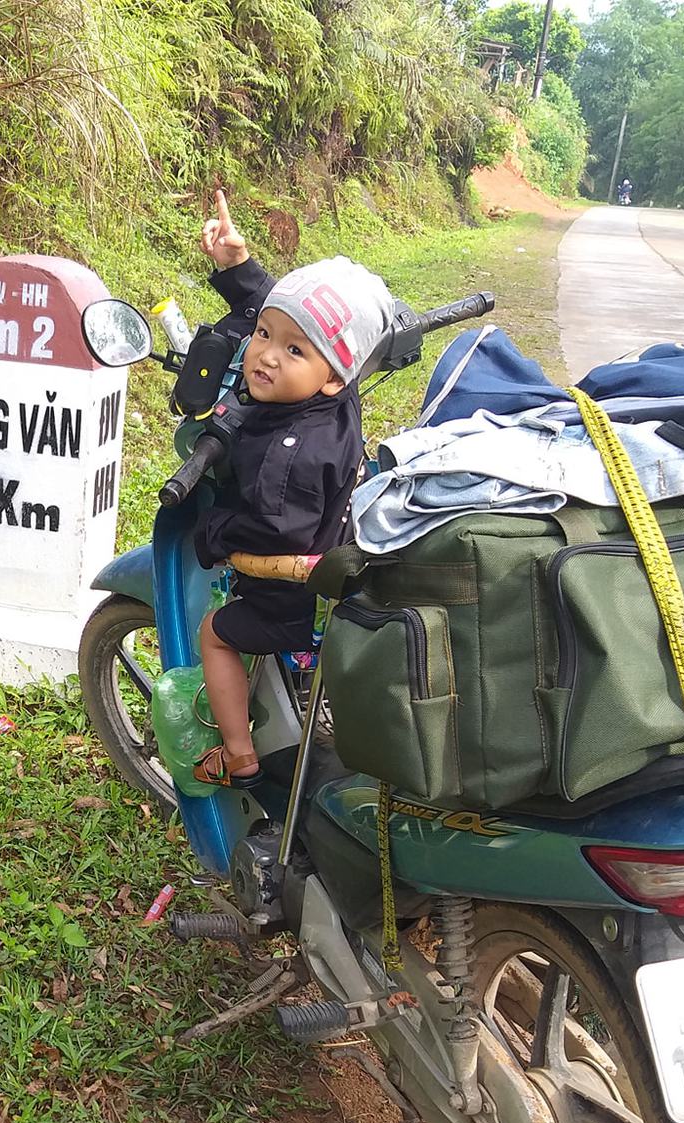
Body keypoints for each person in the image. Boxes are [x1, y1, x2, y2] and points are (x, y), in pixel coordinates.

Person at [191, 190, 394, 788]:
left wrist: (215, 533)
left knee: (217, 634)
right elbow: (288, 316)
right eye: (263, 336)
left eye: (293, 350)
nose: (267, 357)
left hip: (294, 600)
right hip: (328, 545)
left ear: (332, 375)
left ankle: (238, 753)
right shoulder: (333, 394)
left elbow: (271, 530)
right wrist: (238, 267)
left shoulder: (289, 458)